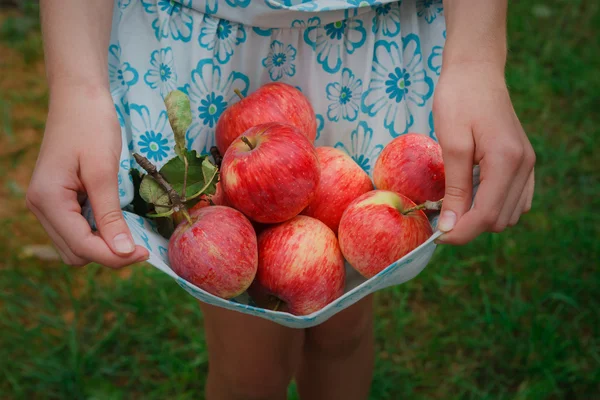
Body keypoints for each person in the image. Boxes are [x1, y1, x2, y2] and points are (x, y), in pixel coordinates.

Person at [26, 0, 535, 398]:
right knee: (251, 365)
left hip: (368, 46)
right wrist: (76, 87)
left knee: (346, 327)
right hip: (217, 43)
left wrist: (477, 60)